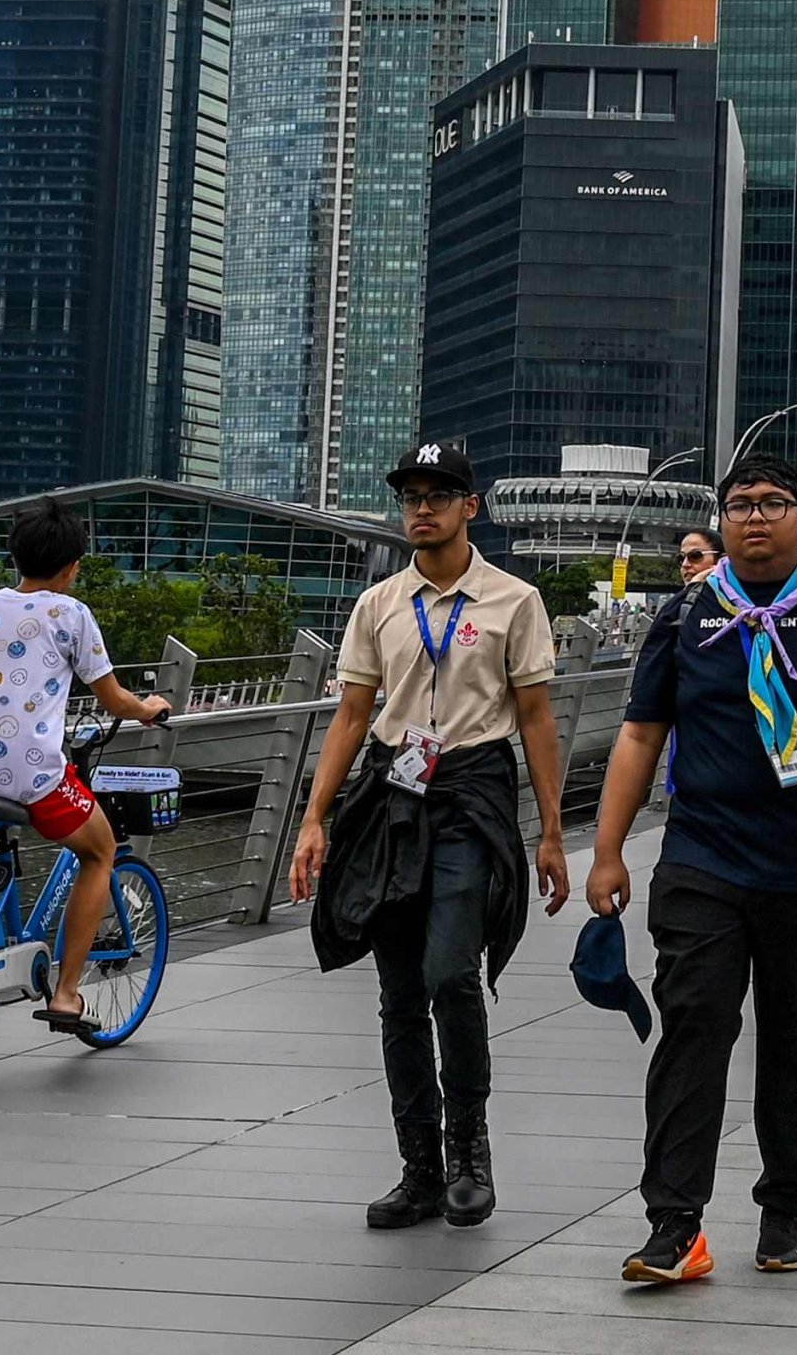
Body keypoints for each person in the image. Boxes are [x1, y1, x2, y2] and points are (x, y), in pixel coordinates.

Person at [592, 452, 797, 1286]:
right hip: (703, 858)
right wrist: (605, 849)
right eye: (738, 504)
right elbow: (640, 734)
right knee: (694, 1024)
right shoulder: (687, 615)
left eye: (773, 503)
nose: (753, 517)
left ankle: (784, 1206)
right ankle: (674, 1223)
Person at [288, 440, 566, 1231]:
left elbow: (538, 720)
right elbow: (350, 715)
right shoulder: (378, 604)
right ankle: (418, 1169)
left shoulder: (514, 601)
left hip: (472, 791)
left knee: (452, 973)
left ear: (468, 507)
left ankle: (470, 1154)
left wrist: (550, 833)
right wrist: (313, 819)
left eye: (438, 495)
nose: (421, 508)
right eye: (411, 495)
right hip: (391, 795)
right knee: (399, 991)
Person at [0, 499, 178, 1039]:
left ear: (15, 556)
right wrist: (150, 708)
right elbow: (114, 699)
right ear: (72, 566)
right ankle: (67, 994)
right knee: (101, 851)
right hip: (32, 771)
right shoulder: (71, 615)